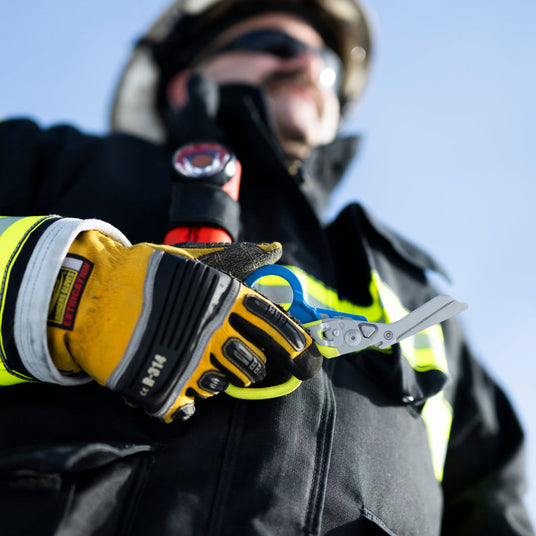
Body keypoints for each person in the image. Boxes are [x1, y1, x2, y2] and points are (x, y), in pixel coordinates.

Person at [0, 0, 533, 534]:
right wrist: (71, 292)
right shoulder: (50, 163)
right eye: (274, 46)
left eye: (325, 64)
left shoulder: (415, 297)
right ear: (184, 82)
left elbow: (498, 505)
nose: (305, 65)